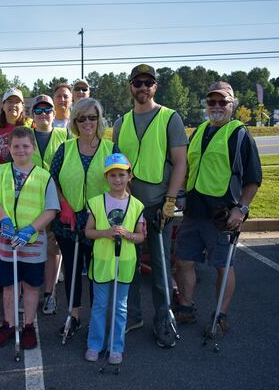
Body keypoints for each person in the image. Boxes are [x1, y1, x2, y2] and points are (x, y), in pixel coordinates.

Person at [174, 81, 261, 338]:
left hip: (223, 216)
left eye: (222, 102)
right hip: (193, 212)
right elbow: (188, 167)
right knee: (183, 261)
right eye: (212, 102)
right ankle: (187, 308)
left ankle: (220, 317)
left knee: (223, 265)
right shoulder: (199, 130)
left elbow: (253, 178)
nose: (216, 106)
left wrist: (241, 210)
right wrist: (181, 194)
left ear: (232, 104)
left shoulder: (239, 134)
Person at [112, 63, 188, 348]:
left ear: (155, 86)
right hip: (130, 205)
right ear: (131, 86)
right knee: (129, 265)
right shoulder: (121, 123)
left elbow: (180, 162)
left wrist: (170, 200)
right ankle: (133, 316)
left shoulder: (170, 118)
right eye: (137, 82)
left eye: (148, 82)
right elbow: (118, 165)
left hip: (159, 206)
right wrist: (127, 196)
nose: (143, 87)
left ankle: (163, 318)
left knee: (159, 266)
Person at [50, 98, 118, 338]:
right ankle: (74, 315)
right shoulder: (65, 148)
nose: (87, 122)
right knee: (71, 268)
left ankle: (97, 319)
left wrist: (103, 211)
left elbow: (120, 182)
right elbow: (52, 180)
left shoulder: (111, 149)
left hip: (99, 223)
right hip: (68, 222)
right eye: (81, 118)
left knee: (97, 272)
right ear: (75, 121)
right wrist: (64, 205)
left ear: (99, 119)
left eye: (92, 117)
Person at [0, 126, 59, 349]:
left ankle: (28, 325)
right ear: (8, 148)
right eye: (16, 146)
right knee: (9, 285)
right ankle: (8, 324)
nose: (21, 150)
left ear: (33, 148)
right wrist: (4, 221)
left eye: (25, 146)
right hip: (6, 237)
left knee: (30, 285)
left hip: (33, 239)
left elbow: (51, 209)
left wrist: (31, 229)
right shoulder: (0, 171)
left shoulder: (44, 176)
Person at [84, 153, 145, 364]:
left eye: (121, 174)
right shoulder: (96, 202)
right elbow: (88, 232)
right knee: (100, 305)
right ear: (106, 178)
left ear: (129, 176)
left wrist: (127, 235)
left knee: (120, 307)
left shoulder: (137, 205)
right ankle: (94, 344)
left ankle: (116, 347)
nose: (117, 179)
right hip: (102, 260)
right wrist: (104, 233)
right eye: (112, 175)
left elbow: (140, 236)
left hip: (125, 262)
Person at [30, 94, 68, 315]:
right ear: (32, 115)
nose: (43, 114)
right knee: (32, 248)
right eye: (38, 110)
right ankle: (30, 290)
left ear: (54, 114)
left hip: (57, 202)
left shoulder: (65, 136)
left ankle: (49, 294)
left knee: (53, 250)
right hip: (30, 202)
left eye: (47, 110)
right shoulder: (26, 135)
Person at [0, 87, 33, 163]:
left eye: (17, 102)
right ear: (3, 105)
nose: (13, 105)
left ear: (22, 106)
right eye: (9, 101)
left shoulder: (31, 126)